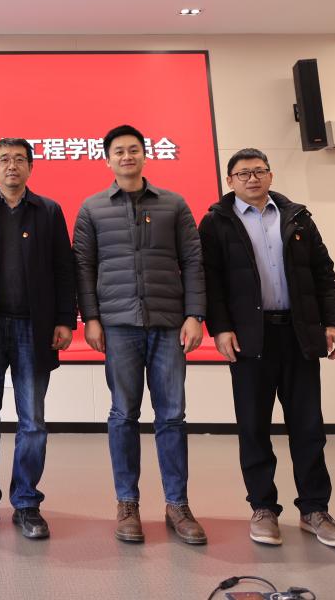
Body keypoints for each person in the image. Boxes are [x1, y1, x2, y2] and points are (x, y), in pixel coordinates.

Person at [197, 148, 335, 548]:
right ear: (229, 180)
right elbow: (211, 282)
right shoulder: (216, 222)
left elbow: (324, 273)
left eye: (259, 171)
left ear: (270, 175)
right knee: (253, 427)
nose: (252, 178)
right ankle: (263, 507)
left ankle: (315, 509)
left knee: (308, 426)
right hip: (251, 338)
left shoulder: (297, 217)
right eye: (242, 173)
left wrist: (332, 322)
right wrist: (221, 329)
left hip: (299, 334)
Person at [73, 124, 207, 545]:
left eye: (133, 150)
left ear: (145, 155)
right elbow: (83, 267)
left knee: (172, 416)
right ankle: (127, 504)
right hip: (118, 325)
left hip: (169, 324)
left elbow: (193, 261)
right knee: (123, 415)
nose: (126, 156)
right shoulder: (92, 208)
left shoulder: (174, 204)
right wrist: (90, 318)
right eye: (119, 151)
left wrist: (195, 315)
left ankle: (177, 505)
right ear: (107, 159)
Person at [0, 138, 77, 540]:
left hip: (33, 328)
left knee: (33, 421)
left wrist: (65, 320)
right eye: (4, 160)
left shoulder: (48, 211)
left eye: (20, 159)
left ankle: (26, 503)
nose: (12, 166)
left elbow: (63, 269)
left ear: (30, 167)